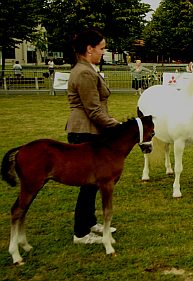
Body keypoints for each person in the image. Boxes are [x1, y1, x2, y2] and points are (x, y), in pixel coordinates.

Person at [67, 29, 119, 244]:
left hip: (90, 130)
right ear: (90, 49)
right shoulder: (85, 73)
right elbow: (94, 111)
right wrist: (119, 126)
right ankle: (81, 232)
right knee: (88, 184)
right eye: (101, 48)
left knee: (93, 183)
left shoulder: (87, 69)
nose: (103, 52)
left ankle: (89, 222)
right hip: (85, 131)